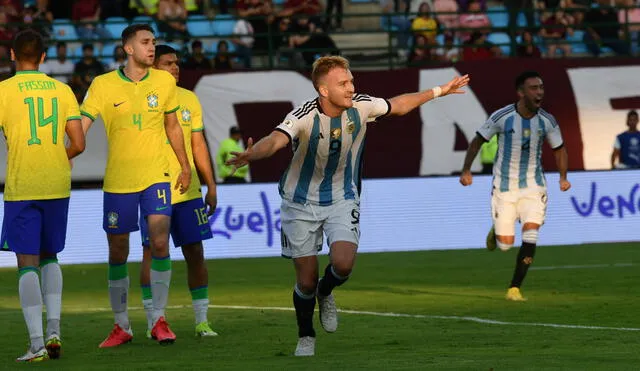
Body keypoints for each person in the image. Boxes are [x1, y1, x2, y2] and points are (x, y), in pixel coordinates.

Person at [225, 56, 469, 356]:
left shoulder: (361, 106)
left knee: (342, 264)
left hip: (342, 196)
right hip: (299, 203)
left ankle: (325, 293)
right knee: (305, 280)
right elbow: (275, 140)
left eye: (351, 80)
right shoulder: (303, 115)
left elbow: (399, 105)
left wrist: (439, 91)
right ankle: (306, 335)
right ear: (323, 90)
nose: (351, 87)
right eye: (343, 83)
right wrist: (252, 154)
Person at [80, 24, 192, 348]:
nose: (151, 48)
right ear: (128, 49)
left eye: (153, 42)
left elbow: (173, 126)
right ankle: (121, 325)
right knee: (118, 251)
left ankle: (158, 319)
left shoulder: (164, 81)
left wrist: (184, 166)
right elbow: (82, 125)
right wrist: (68, 151)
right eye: (145, 43)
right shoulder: (102, 85)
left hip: (156, 176)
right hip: (118, 181)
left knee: (159, 243)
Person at [0, 29, 85, 362]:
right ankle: (54, 330)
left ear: (11, 55)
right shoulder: (63, 90)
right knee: (51, 256)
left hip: (23, 185)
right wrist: (54, 159)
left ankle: (36, 343)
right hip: (57, 184)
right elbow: (78, 143)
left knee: (26, 262)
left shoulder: (4, 91)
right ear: (45, 57)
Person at [459, 71, 570, 302]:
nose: (539, 92)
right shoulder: (502, 116)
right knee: (505, 245)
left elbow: (559, 149)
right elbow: (478, 140)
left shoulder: (547, 120)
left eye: (541, 87)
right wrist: (466, 169)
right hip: (504, 187)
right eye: (533, 88)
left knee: (531, 231)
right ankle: (497, 230)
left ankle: (514, 288)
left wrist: (563, 177)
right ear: (521, 92)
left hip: (534, 186)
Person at [138, 44, 219, 339]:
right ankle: (153, 321)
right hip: (152, 188)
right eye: (169, 63)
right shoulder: (142, 99)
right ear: (153, 67)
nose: (176, 67)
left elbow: (198, 144)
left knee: (195, 252)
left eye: (177, 63)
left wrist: (210, 183)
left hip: (188, 191)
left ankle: (202, 321)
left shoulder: (188, 99)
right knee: (152, 252)